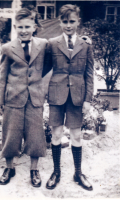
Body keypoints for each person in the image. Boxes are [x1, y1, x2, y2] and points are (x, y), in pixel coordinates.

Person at [44, 4, 94, 191]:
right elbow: (44, 68)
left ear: (78, 22)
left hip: (77, 97)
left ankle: (78, 172)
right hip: (57, 96)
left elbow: (89, 74)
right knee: (56, 135)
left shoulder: (86, 45)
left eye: (72, 21)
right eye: (64, 21)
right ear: (60, 22)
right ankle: (56, 171)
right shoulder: (52, 43)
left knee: (76, 136)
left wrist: (88, 99)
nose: (68, 25)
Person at [0, 8, 48, 187]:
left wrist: (84, 41)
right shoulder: (8, 48)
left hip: (35, 98)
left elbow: (60, 47)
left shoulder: (43, 45)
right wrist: (0, 100)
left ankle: (34, 170)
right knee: (11, 134)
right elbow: (2, 77)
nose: (24, 30)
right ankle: (9, 167)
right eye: (20, 27)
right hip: (13, 98)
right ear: (15, 27)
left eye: (28, 26)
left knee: (35, 135)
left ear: (34, 27)